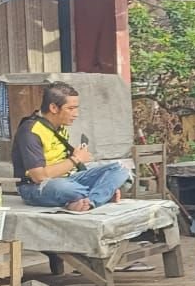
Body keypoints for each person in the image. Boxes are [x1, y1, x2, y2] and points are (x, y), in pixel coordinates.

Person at [12, 82, 130, 212]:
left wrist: (76, 159)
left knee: (120, 169)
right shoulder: (30, 131)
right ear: (54, 108)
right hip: (36, 187)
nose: (76, 114)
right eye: (71, 108)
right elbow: (38, 176)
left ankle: (89, 201)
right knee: (63, 187)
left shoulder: (60, 128)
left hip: (68, 179)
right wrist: (75, 159)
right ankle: (101, 195)